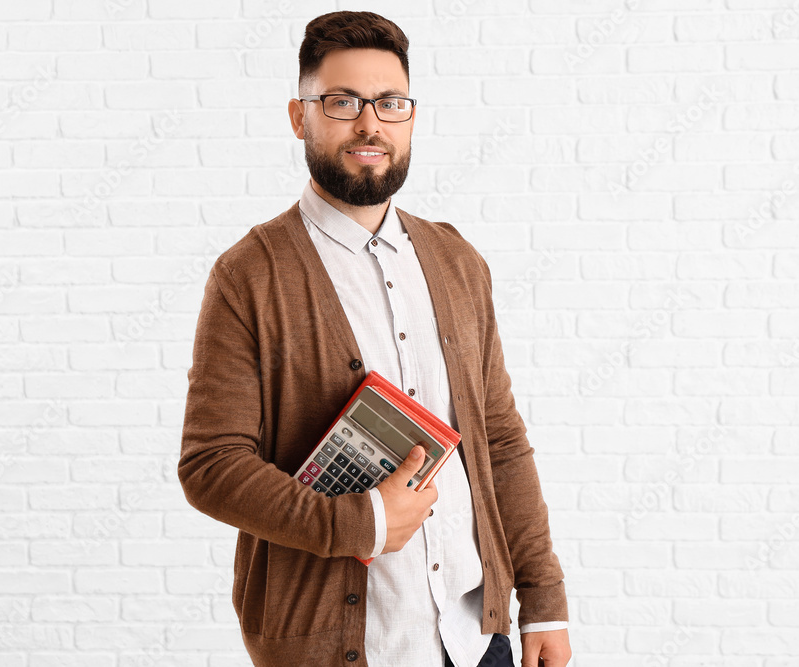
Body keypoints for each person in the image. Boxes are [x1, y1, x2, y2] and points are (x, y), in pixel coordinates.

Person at [177, 10, 571, 667]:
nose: (370, 123)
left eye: (390, 102)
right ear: (300, 117)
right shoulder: (248, 275)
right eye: (342, 102)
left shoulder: (457, 261)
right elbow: (211, 464)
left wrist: (544, 597)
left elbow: (498, 438)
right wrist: (362, 523)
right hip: (339, 651)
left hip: (478, 642)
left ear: (409, 115)